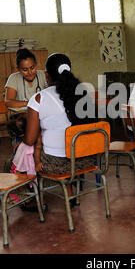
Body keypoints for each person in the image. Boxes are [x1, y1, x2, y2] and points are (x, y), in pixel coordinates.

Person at [24, 53, 96, 209]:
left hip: (59, 164)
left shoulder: (38, 99)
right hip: (86, 161)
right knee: (60, 144)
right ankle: (69, 193)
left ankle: (32, 200)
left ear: (47, 75)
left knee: (24, 152)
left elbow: (29, 139)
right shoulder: (83, 94)